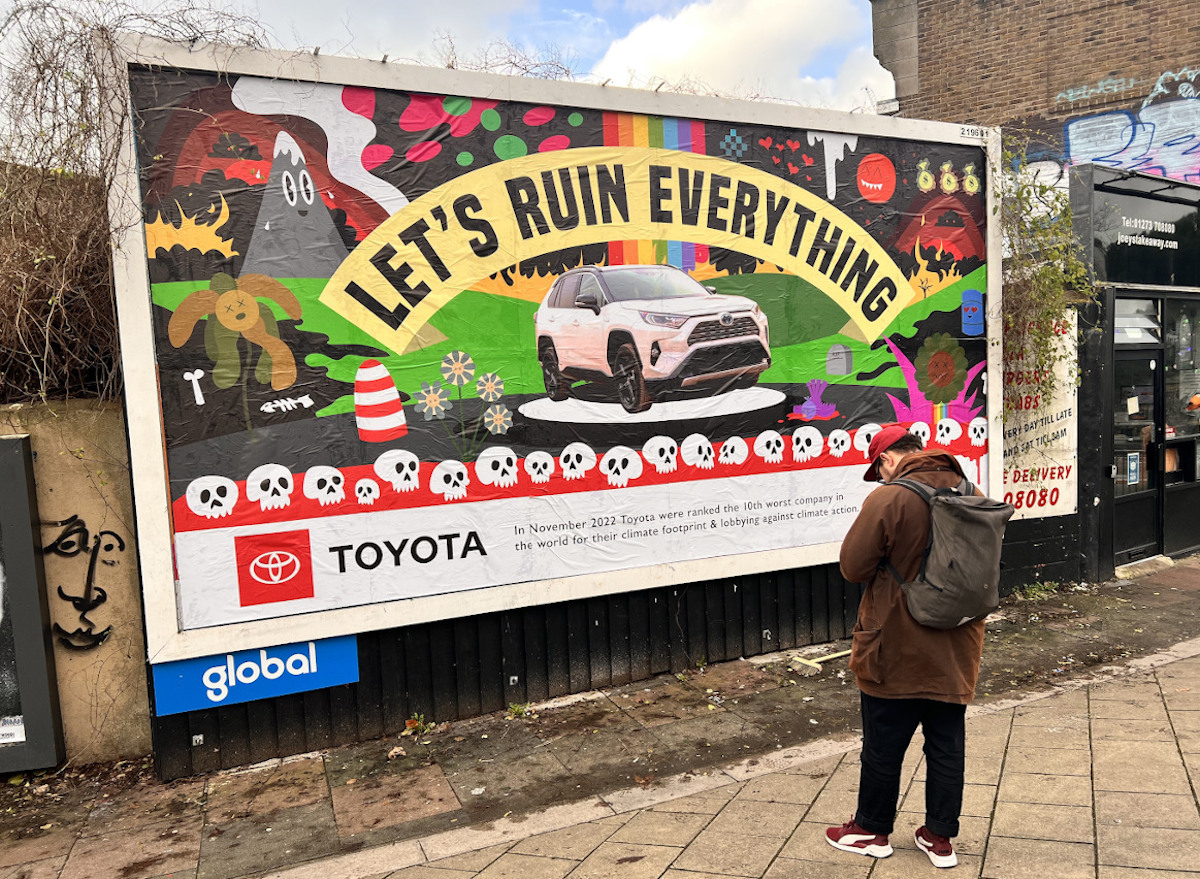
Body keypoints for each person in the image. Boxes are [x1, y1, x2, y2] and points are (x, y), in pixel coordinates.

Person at [824, 424, 985, 869]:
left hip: (894, 643)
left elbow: (853, 567)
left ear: (887, 459)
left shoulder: (890, 498)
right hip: (957, 643)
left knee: (883, 743)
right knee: (947, 744)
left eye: (877, 469)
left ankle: (871, 830)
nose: (879, 478)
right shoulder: (970, 489)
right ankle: (940, 838)